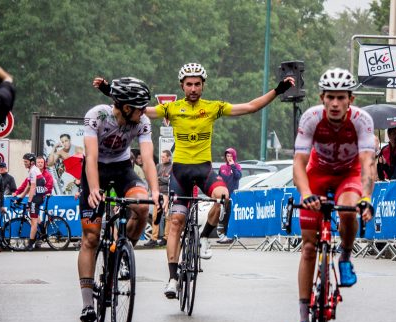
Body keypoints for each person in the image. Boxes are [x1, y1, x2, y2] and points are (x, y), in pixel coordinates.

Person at [93, 62, 294, 299]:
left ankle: (206, 237)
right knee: (176, 221)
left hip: (204, 170)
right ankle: (172, 278)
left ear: (203, 86)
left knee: (223, 197)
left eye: (197, 84)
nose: (193, 88)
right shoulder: (172, 108)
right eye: (189, 84)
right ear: (182, 86)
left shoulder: (212, 108)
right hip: (180, 174)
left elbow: (250, 107)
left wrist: (278, 90)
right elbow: (139, 110)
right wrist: (110, 92)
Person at [289, 68, 375, 322]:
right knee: (309, 248)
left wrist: (367, 198)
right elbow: (299, 163)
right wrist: (305, 194)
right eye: (330, 98)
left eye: (341, 98)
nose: (335, 103)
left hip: (348, 173)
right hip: (318, 173)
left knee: (349, 209)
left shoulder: (362, 120)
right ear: (322, 98)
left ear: (351, 99)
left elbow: (366, 164)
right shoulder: (311, 118)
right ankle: (303, 319)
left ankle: (346, 258)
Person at [78, 77, 160, 322]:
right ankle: (87, 305)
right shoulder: (97, 116)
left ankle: (123, 252)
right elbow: (91, 156)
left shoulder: (142, 121)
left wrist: (155, 191)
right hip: (96, 171)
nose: (145, 111)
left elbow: (146, 159)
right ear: (126, 107)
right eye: (140, 107)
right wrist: (93, 189)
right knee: (91, 237)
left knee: (142, 207)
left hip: (123, 169)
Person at [13, 153, 46, 251]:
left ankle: (31, 244)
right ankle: (42, 228)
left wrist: (29, 201)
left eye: (26, 162)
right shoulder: (34, 170)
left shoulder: (33, 171)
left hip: (36, 198)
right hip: (39, 197)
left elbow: (32, 187)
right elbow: (27, 186)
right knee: (35, 218)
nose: (24, 163)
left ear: (31, 162)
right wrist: (20, 198)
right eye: (24, 161)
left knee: (33, 221)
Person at [144, 149, 172, 247]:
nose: (162, 158)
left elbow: (169, 180)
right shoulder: (158, 166)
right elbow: (153, 178)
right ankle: (154, 239)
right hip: (158, 195)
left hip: (167, 195)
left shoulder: (172, 167)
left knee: (168, 217)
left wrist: (159, 179)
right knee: (156, 217)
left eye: (164, 157)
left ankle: (166, 238)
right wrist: (160, 179)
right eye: (161, 157)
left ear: (169, 157)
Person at [216, 148, 241, 244]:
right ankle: (224, 235)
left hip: (232, 196)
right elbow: (219, 179)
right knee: (222, 216)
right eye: (227, 156)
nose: (229, 158)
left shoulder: (237, 166)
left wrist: (233, 166)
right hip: (223, 195)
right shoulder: (222, 167)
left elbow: (238, 176)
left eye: (230, 156)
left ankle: (229, 236)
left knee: (229, 216)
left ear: (234, 156)